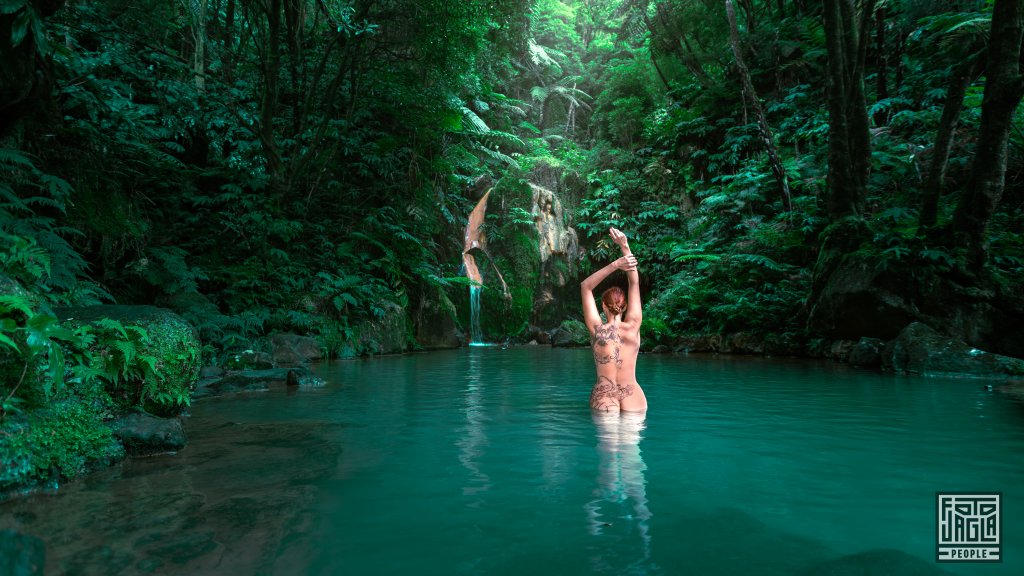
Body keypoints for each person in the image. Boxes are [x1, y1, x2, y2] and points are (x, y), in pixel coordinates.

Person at [580, 228, 648, 412]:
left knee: (607, 441)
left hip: (604, 397)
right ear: (625, 306)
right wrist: (625, 247)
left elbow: (586, 286)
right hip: (632, 395)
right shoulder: (633, 326)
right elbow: (634, 283)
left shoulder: (597, 330)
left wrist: (616, 264)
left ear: (602, 305)